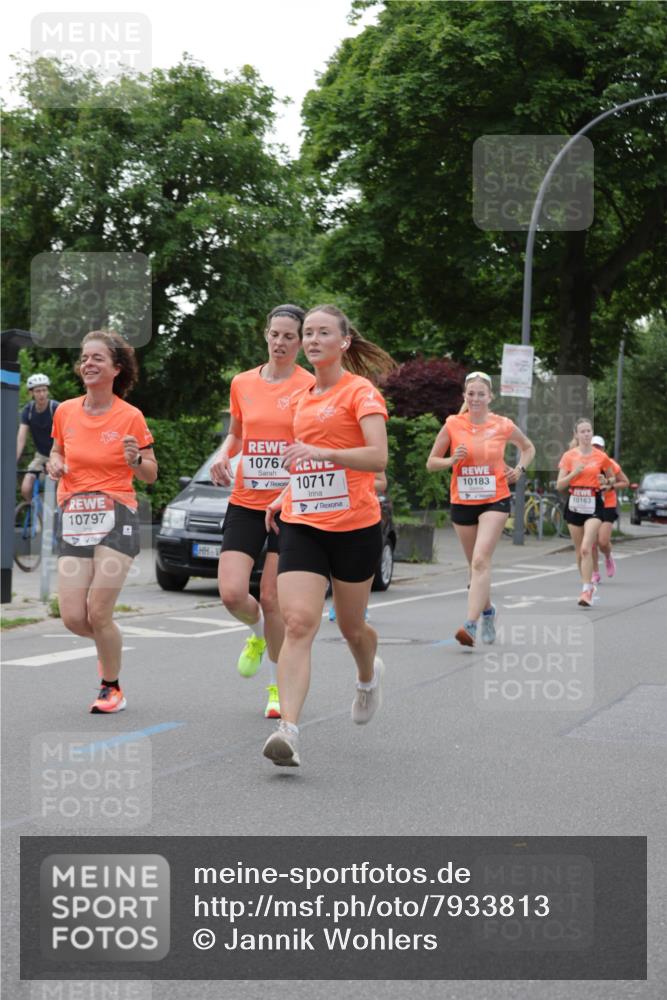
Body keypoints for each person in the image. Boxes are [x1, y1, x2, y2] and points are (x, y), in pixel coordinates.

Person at [261, 305, 396, 767]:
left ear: (344, 342)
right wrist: (285, 493)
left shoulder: (361, 393)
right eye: (308, 333)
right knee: (298, 621)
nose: (313, 339)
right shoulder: (300, 399)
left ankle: (366, 677)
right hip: (303, 522)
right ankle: (289, 732)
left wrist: (321, 451)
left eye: (323, 333)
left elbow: (378, 458)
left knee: (352, 627)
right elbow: (305, 464)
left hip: (355, 526)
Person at [210, 305, 314, 719]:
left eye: (290, 336)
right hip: (246, 499)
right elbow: (237, 433)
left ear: (302, 342)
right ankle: (256, 635)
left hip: (289, 503)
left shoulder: (309, 386)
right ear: (265, 335)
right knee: (232, 592)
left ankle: (275, 687)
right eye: (275, 334)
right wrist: (223, 455)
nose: (281, 342)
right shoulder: (243, 383)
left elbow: (313, 445)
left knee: (272, 597)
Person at [47, 331, 157, 713]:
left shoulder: (130, 416)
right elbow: (57, 450)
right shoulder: (65, 412)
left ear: (116, 368)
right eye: (84, 358)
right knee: (73, 616)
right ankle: (108, 649)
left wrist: (134, 461)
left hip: (117, 514)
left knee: (99, 610)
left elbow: (151, 474)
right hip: (74, 515)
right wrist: (54, 462)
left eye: (97, 358)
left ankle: (111, 687)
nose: (88, 364)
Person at [426, 371, 535, 646]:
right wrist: (452, 459)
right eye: (471, 394)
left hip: (494, 499)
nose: (475, 398)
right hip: (462, 501)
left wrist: (520, 469)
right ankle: (488, 611)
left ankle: (469, 625)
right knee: (474, 567)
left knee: (480, 561)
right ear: (465, 396)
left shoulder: (502, 424)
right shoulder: (453, 423)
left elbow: (528, 447)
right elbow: (431, 462)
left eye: (481, 394)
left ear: (490, 397)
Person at [556, 419, 615, 607]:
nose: (586, 434)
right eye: (582, 431)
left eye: (589, 431)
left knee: (586, 547)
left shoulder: (601, 457)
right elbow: (559, 485)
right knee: (579, 552)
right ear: (576, 435)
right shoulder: (568, 456)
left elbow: (611, 478)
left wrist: (605, 482)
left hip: (593, 504)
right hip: (574, 504)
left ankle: (585, 592)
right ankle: (587, 585)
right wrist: (573, 473)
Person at [590, 434, 629, 584]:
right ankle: (594, 572)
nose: (596, 449)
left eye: (599, 447)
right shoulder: (585, 463)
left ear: (604, 449)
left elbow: (625, 482)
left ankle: (607, 556)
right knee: (592, 542)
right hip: (591, 504)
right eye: (593, 447)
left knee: (603, 541)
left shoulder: (610, 464)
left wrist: (610, 486)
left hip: (608, 504)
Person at [16, 374, 60, 501]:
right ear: (31, 393)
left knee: (56, 486)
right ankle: (36, 512)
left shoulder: (55, 408)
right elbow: (21, 438)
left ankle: (56, 515)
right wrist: (14, 459)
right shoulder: (28, 411)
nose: (42, 394)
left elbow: (67, 434)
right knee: (26, 487)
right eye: (38, 391)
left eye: (44, 390)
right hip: (41, 456)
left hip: (58, 454)